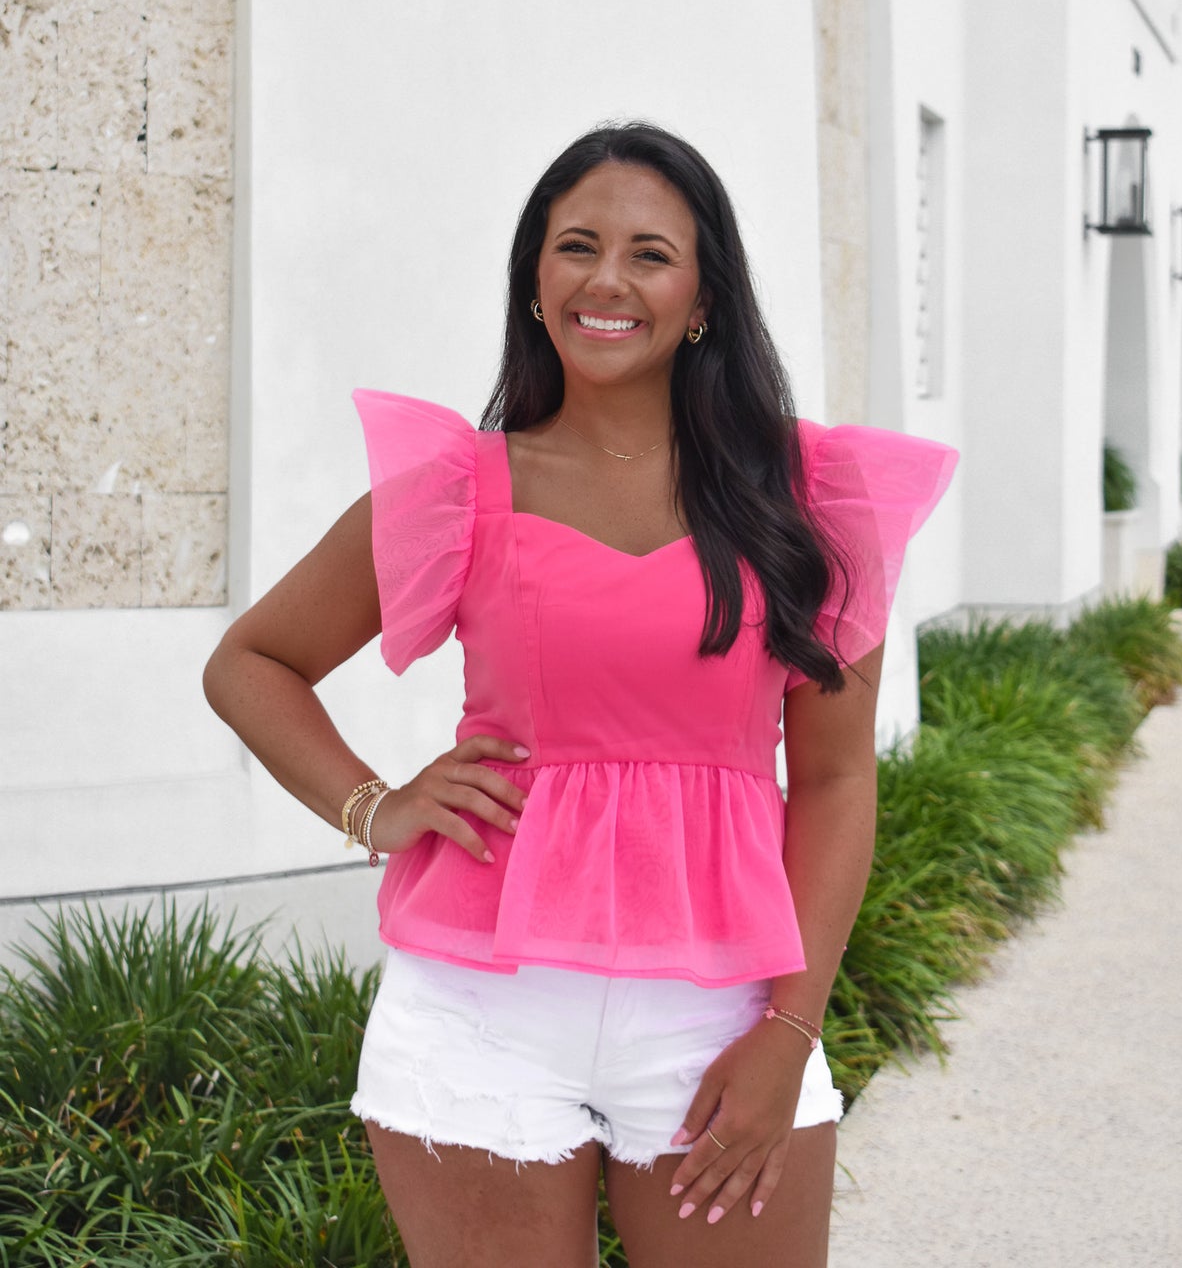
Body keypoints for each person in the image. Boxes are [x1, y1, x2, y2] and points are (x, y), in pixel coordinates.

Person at [203, 121, 956, 1268]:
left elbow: (840, 778)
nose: (608, 280)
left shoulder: (807, 501)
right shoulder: (458, 488)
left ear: (703, 296)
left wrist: (790, 1030)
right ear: (537, 281)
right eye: (576, 247)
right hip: (477, 1011)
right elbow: (251, 664)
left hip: (725, 1011)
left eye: (650, 253)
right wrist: (375, 806)